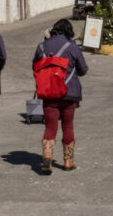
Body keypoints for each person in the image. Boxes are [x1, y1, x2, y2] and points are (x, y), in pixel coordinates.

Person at [32, 18, 88, 174]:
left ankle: (47, 154)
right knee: (67, 125)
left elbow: (35, 68)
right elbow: (83, 70)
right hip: (69, 93)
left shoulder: (41, 47)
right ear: (69, 32)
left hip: (49, 93)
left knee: (50, 126)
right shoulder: (72, 47)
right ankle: (68, 161)